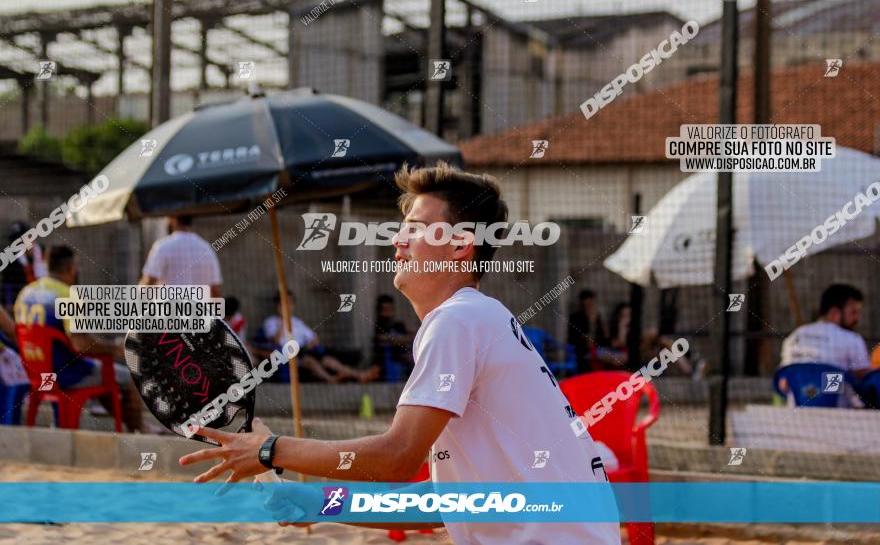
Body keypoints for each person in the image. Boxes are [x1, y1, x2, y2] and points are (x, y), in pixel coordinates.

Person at [181, 162, 620, 544]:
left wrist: (271, 449)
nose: (399, 241)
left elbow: (396, 457)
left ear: (460, 245)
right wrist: (316, 500)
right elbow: (439, 505)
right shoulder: (478, 318)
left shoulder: (458, 321)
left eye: (416, 227)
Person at [13, 245, 148, 432]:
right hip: (65, 375)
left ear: (46, 265)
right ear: (71, 269)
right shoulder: (68, 296)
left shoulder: (25, 294)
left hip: (36, 375)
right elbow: (80, 344)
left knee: (103, 373)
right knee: (128, 376)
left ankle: (129, 423)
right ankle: (139, 429)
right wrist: (115, 348)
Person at [780, 283, 870, 406]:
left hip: (796, 415)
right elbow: (865, 380)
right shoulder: (853, 339)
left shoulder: (794, 336)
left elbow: (783, 384)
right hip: (840, 418)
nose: (857, 318)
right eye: (853, 312)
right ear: (834, 313)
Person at [261, 291, 379, 384]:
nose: (288, 306)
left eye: (290, 302)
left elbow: (314, 338)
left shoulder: (298, 322)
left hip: (305, 350)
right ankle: (331, 380)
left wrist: (312, 344)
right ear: (278, 305)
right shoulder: (271, 322)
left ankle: (360, 376)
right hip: (286, 354)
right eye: (284, 302)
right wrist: (284, 319)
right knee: (309, 361)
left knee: (328, 360)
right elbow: (275, 340)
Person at [139, 215, 222, 298]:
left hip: (170, 309)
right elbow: (215, 290)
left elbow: (148, 283)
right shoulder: (207, 248)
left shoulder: (162, 247)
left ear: (173, 219)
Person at [1, 221, 48, 312]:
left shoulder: (44, 253)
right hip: (23, 306)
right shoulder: (11, 260)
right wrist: (9, 303)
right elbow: (7, 284)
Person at [372, 294, 414, 380]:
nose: (388, 313)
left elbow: (415, 331)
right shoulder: (379, 326)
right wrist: (406, 339)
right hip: (387, 364)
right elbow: (383, 338)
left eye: (390, 310)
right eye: (385, 310)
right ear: (379, 311)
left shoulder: (398, 325)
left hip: (403, 361)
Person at [567, 289, 609, 373]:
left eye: (591, 305)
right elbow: (589, 344)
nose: (589, 308)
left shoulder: (598, 317)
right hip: (583, 353)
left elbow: (606, 338)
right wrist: (591, 322)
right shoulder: (576, 318)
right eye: (586, 305)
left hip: (599, 350)